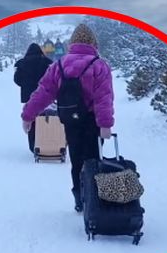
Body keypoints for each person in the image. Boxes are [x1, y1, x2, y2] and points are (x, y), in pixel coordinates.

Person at [21, 23, 115, 212]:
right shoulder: (100, 65)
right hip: (92, 121)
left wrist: (28, 116)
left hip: (70, 120)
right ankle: (95, 199)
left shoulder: (59, 65)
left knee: (77, 160)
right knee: (94, 159)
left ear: (72, 42)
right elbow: (104, 98)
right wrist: (105, 124)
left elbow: (43, 92)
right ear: (93, 43)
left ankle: (79, 198)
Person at [13, 43, 53, 153]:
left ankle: (33, 145)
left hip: (28, 95)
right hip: (45, 95)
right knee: (46, 118)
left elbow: (16, 79)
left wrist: (25, 85)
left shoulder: (22, 63)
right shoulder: (47, 62)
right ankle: (47, 142)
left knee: (31, 119)